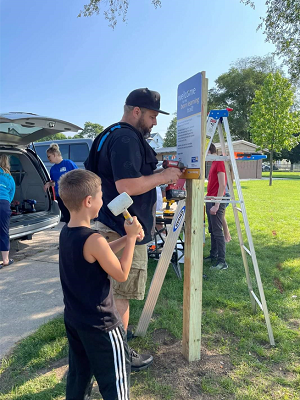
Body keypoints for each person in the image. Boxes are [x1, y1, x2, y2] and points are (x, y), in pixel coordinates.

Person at [85, 88, 183, 371]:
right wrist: (164, 176)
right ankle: (120, 357)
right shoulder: (127, 136)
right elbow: (126, 186)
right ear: (136, 111)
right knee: (121, 296)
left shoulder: (108, 134)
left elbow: (123, 177)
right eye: (152, 116)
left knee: (107, 294)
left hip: (109, 224)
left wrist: (155, 172)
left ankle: (104, 351)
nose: (154, 123)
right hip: (123, 229)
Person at [58, 169, 143, 400]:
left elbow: (100, 254)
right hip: (102, 326)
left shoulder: (67, 233)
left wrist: (128, 238)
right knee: (115, 382)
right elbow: (122, 274)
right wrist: (133, 242)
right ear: (88, 201)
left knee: (79, 376)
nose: (103, 201)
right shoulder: (93, 239)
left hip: (76, 321)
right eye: (101, 196)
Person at [205, 143, 228, 270]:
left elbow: (222, 185)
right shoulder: (213, 163)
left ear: (209, 150)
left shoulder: (219, 161)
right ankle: (213, 255)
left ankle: (222, 261)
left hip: (216, 200)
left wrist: (217, 204)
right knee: (212, 230)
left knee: (218, 232)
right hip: (210, 199)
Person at [44, 143, 78, 223]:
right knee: (67, 218)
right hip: (61, 196)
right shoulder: (52, 169)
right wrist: (49, 184)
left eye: (49, 156)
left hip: (71, 195)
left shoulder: (68, 163)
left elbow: (78, 177)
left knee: (75, 217)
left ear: (55, 154)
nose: (48, 158)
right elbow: (55, 183)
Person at [0, 154, 16, 268]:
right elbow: (11, 193)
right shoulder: (9, 177)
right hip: (4, 204)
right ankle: (5, 260)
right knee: (4, 232)